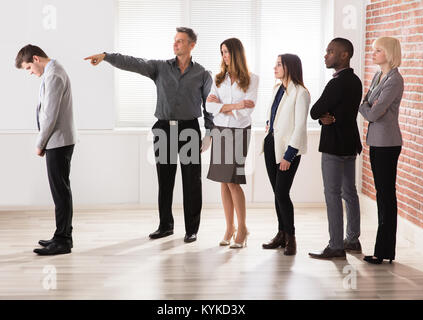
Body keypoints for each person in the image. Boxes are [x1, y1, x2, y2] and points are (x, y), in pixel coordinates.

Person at [84, 27, 213, 243]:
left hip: (189, 129)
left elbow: (210, 105)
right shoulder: (160, 67)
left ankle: (192, 229)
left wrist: (209, 132)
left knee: (192, 182)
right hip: (163, 128)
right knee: (165, 180)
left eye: (180, 41)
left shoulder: (202, 73)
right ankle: (165, 226)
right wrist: (107, 57)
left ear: (192, 45)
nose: (176, 44)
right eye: (175, 40)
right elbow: (134, 62)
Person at [15, 44, 77, 255]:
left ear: (36, 58)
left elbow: (49, 115)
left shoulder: (53, 76)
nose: (30, 73)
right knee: (61, 191)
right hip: (58, 141)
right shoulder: (52, 72)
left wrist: (39, 144)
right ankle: (61, 236)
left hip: (57, 142)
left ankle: (63, 241)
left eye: (29, 68)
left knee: (60, 192)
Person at [308, 38, 362, 260]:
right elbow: (334, 113)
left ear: (344, 55)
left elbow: (315, 110)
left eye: (331, 51)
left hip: (334, 146)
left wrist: (322, 118)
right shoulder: (356, 81)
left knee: (332, 194)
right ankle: (352, 239)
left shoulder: (336, 83)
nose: (325, 55)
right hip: (350, 143)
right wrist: (325, 119)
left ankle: (336, 246)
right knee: (350, 192)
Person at [205, 38, 258, 249]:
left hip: (239, 131)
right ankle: (229, 227)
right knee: (223, 181)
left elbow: (247, 111)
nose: (224, 56)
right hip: (220, 131)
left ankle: (242, 228)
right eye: (222, 52)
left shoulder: (252, 79)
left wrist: (222, 106)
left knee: (233, 181)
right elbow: (209, 107)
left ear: (236, 53)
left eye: (226, 52)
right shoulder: (216, 78)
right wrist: (235, 104)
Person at [359, 36, 404, 264]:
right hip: (376, 141)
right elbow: (366, 102)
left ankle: (383, 250)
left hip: (388, 143)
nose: (373, 53)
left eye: (378, 50)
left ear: (389, 53)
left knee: (386, 195)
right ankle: (384, 250)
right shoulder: (378, 76)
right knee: (382, 195)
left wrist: (367, 107)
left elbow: (373, 112)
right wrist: (368, 106)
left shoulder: (394, 80)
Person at [261, 54, 310, 256]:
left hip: (288, 150)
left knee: (282, 193)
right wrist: (268, 127)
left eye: (279, 64)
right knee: (277, 193)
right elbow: (274, 116)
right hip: (271, 144)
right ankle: (281, 234)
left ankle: (291, 238)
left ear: (290, 67)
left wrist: (289, 155)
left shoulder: (301, 93)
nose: (275, 67)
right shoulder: (277, 89)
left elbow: (299, 126)